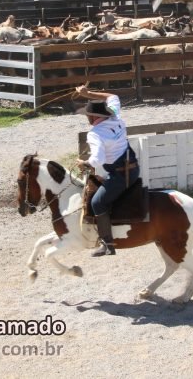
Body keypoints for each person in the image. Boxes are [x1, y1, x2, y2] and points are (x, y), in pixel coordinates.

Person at [74, 86, 139, 257]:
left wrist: (84, 163)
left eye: (88, 115)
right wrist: (88, 93)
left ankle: (108, 244)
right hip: (132, 168)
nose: (87, 117)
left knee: (97, 203)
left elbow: (98, 160)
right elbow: (113, 95)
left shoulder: (95, 134)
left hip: (119, 176)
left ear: (95, 117)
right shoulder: (116, 116)